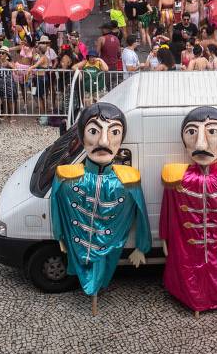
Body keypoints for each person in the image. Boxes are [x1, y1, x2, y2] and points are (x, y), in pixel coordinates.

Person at [50, 103, 151, 304]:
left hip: (110, 248)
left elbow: (142, 214)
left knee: (103, 268)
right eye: (94, 131)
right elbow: (56, 207)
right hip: (78, 246)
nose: (104, 141)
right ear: (81, 136)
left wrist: (141, 246)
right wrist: (60, 236)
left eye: (114, 132)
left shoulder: (127, 181)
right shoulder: (67, 178)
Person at [160, 106, 217, 313]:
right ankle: (190, 297)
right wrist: (165, 237)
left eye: (212, 132)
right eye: (192, 132)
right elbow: (168, 213)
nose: (201, 143)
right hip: (186, 253)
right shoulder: (176, 179)